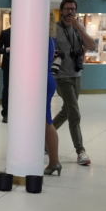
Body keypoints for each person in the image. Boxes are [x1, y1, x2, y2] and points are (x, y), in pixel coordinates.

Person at [52, 0, 96, 166]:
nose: (70, 12)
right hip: (61, 77)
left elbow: (91, 45)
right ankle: (80, 151)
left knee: (67, 110)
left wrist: (79, 27)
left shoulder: (79, 28)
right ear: (61, 11)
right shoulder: (54, 29)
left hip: (76, 75)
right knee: (74, 113)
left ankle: (45, 138)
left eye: (73, 9)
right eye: (67, 9)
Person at [45, 11, 61, 176]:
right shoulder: (49, 38)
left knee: (46, 122)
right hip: (45, 80)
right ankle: (54, 162)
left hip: (41, 82)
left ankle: (54, 161)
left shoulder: (43, 38)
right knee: (45, 122)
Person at [0, 15, 11, 123]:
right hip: (8, 65)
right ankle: (5, 113)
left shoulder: (24, 32)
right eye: (11, 18)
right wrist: (6, 49)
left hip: (22, 68)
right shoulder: (5, 33)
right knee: (6, 89)